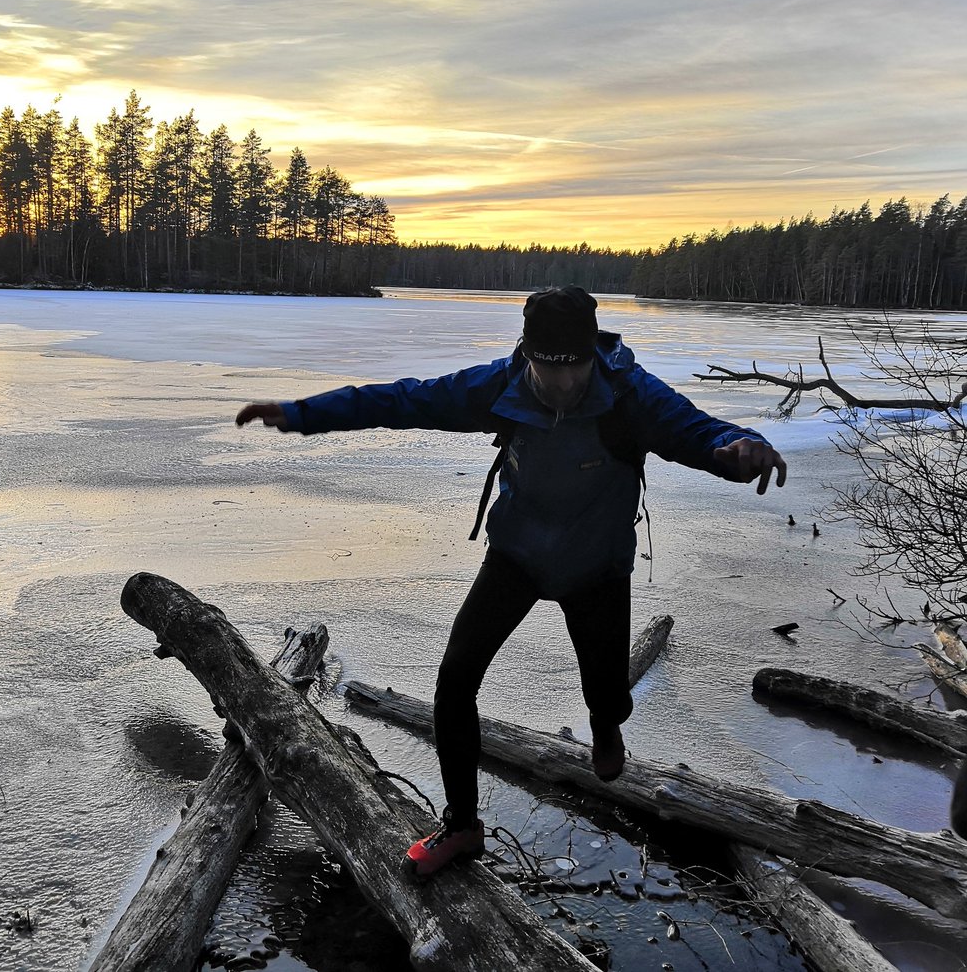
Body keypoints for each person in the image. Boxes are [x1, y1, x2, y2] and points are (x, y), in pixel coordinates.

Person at [236, 286, 787, 880]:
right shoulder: (499, 387)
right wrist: (301, 415)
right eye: (549, 369)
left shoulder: (630, 394)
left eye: (575, 367)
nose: (563, 384)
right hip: (517, 557)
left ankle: (606, 722)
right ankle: (462, 826)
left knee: (607, 693)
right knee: (454, 682)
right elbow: (402, 400)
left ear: (590, 357)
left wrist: (738, 452)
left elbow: (697, 431)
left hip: (597, 567)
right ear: (528, 354)